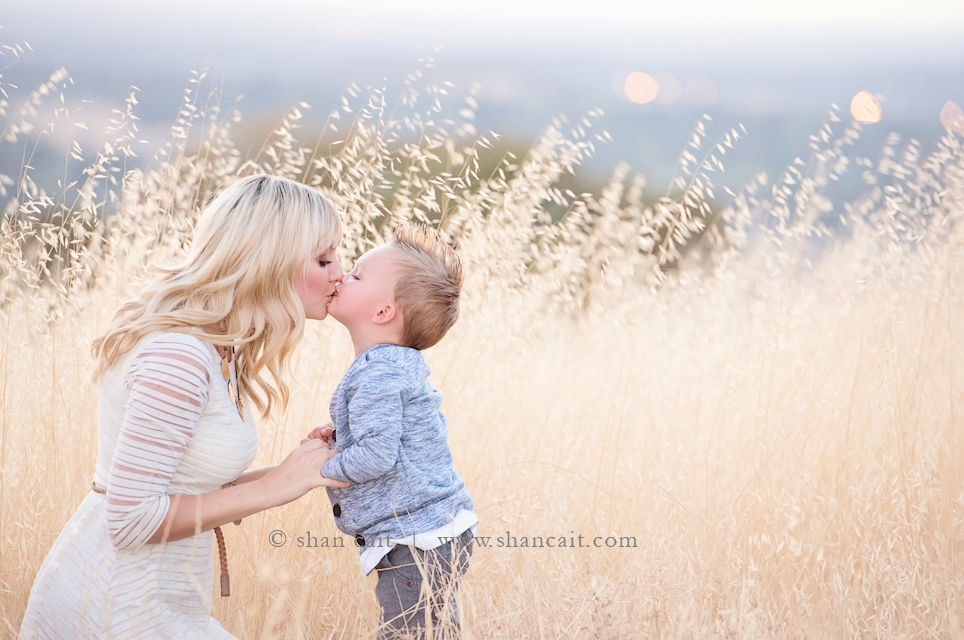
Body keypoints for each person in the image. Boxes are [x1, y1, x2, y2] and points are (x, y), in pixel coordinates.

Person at [19, 174, 349, 639]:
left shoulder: (221, 348)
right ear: (270, 261)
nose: (340, 272)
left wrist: (302, 467)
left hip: (158, 596)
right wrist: (277, 486)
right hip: (113, 602)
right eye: (323, 258)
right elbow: (131, 518)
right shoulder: (180, 356)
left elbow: (187, 483)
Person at [306, 223, 476, 639]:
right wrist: (343, 434)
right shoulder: (393, 364)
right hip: (434, 531)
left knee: (407, 634)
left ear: (383, 313)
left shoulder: (379, 371)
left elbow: (378, 456)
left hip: (415, 541)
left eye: (359, 275)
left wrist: (323, 466)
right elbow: (392, 433)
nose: (344, 274)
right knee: (432, 630)